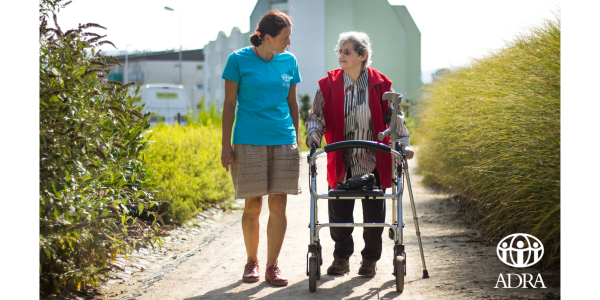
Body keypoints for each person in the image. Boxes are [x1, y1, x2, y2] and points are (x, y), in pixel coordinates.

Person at [305, 31, 414, 278]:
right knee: (338, 213)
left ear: (363, 55)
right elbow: (316, 118)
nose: (341, 56)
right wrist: (313, 138)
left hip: (373, 162)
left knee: (374, 217)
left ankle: (369, 260)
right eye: (339, 51)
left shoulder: (381, 84)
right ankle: (341, 257)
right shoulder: (328, 85)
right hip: (341, 161)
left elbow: (395, 119)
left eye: (347, 51)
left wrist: (403, 145)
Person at [220, 10, 301, 286]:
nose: (288, 42)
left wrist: (297, 139)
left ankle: (272, 265)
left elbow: (292, 104)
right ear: (267, 37)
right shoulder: (238, 60)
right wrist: (225, 145)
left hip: (282, 139)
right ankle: (252, 262)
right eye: (285, 37)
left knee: (279, 204)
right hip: (248, 139)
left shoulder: (289, 61)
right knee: (253, 205)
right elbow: (229, 104)